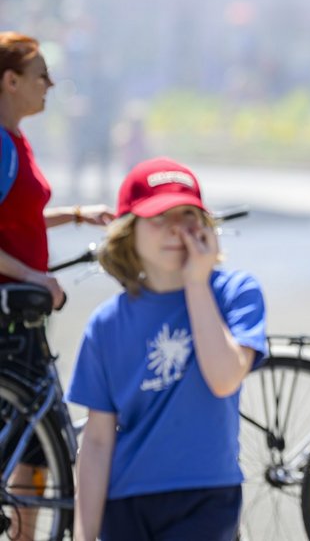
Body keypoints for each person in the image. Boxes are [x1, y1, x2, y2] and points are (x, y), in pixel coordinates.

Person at [66, 157, 268, 541]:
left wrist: (197, 282)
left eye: (187, 214)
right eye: (159, 217)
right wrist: (83, 535)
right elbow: (97, 440)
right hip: (124, 500)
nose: (177, 228)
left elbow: (224, 378)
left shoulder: (235, 292)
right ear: (128, 232)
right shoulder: (106, 323)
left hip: (207, 496)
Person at [0, 31, 113, 540]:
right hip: (9, 310)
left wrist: (76, 214)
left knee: (29, 439)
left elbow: (17, 218)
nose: (49, 83)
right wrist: (33, 276)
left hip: (24, 310)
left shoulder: (15, 138)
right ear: (11, 80)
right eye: (41, 74)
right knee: (29, 430)